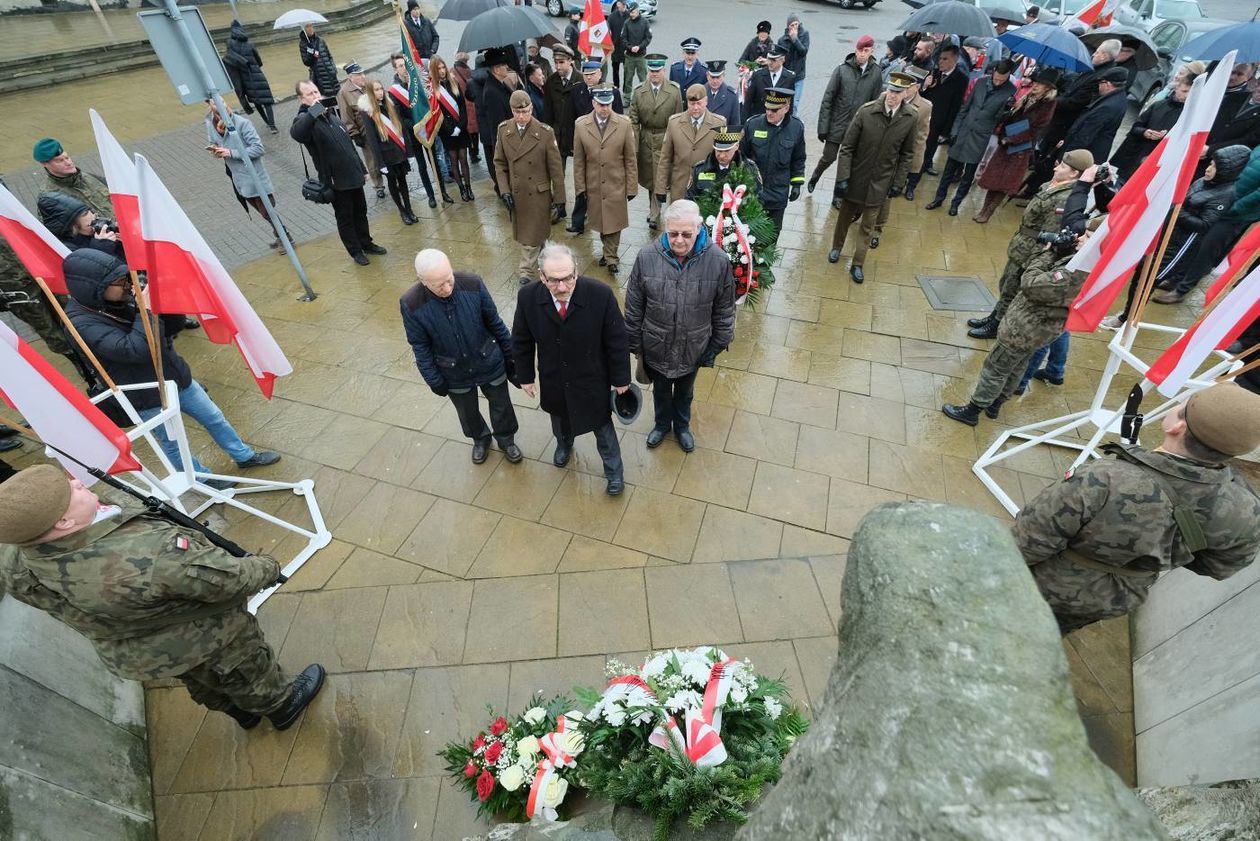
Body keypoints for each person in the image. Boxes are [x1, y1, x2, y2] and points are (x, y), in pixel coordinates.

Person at [0, 465, 324, 731]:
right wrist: (267, 565)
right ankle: (281, 705)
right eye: (70, 493)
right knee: (246, 670)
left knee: (201, 680)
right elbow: (232, 580)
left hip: (138, 649)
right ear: (64, 522)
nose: (76, 482)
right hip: (205, 636)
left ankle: (242, 714)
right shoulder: (150, 555)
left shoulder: (13, 561)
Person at [1014, 382, 1260, 635]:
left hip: (1044, 586)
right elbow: (1218, 567)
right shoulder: (1247, 510)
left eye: (1184, 405)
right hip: (1115, 598)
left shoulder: (1104, 478)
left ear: (1177, 426)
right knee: (1049, 634)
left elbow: (1026, 543)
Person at [62, 249, 281, 480]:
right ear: (95, 287)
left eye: (127, 278)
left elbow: (173, 328)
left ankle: (244, 456)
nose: (128, 286)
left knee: (214, 416)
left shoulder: (119, 299)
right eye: (119, 282)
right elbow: (135, 350)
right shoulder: (79, 324)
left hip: (175, 376)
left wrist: (163, 302)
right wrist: (144, 310)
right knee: (173, 442)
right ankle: (201, 480)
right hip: (145, 394)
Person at [513, 241, 631, 495]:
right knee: (560, 421)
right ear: (541, 276)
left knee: (603, 429)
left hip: (592, 379)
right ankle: (564, 445)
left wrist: (621, 379)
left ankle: (614, 473)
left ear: (576, 270)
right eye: (554, 281)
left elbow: (617, 340)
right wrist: (525, 376)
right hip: (555, 378)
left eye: (568, 278)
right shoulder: (528, 298)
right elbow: (521, 339)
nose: (562, 287)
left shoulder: (600, 294)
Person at [942, 231, 1090, 426]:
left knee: (996, 367)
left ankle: (972, 410)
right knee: (1017, 365)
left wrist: (1048, 253)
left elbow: (1031, 284)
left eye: (1088, 236)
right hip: (1039, 328)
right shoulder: (1085, 261)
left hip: (1026, 327)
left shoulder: (1078, 271)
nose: (1079, 238)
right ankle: (995, 405)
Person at [624, 199, 735, 453]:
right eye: (673, 234)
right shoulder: (646, 257)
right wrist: (635, 343)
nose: (680, 241)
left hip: (693, 346)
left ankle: (682, 427)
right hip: (657, 345)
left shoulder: (717, 260)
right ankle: (662, 425)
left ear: (698, 229)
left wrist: (716, 345)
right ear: (665, 228)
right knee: (661, 391)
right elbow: (633, 306)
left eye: (687, 234)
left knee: (685, 392)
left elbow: (724, 310)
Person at [401, 249, 522, 465]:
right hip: (453, 372)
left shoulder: (473, 283)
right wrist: (434, 379)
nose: (447, 288)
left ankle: (506, 439)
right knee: (467, 412)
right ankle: (480, 439)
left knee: (501, 405)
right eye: (439, 285)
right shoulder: (411, 303)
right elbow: (420, 346)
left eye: (449, 280)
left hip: (488, 360)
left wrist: (512, 357)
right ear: (423, 281)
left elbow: (495, 323)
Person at [967, 150, 1093, 339]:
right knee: (1006, 284)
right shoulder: (1051, 185)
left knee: (1011, 290)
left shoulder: (1065, 197)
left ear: (1074, 173)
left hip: (1030, 250)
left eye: (1063, 166)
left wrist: (1032, 259)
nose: (1056, 167)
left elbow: (1049, 232)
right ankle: (994, 316)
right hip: (1021, 244)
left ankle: (996, 325)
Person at [827, 73, 918, 284]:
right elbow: (848, 147)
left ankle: (858, 263)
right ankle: (836, 248)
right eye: (891, 90)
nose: (892, 96)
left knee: (868, 225)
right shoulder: (867, 111)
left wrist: (898, 182)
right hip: (856, 177)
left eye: (897, 92)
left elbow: (906, 154)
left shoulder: (910, 118)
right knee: (844, 218)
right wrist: (843, 177)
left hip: (881, 181)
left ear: (905, 94)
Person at [1151, 144, 1260, 306]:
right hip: (1223, 199)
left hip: (1237, 213)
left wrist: (1236, 208)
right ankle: (1176, 278)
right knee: (1195, 242)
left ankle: (1182, 289)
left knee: (1207, 251)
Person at [291, 79, 385, 266]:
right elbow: (297, 133)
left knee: (361, 211)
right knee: (345, 217)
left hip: (353, 175)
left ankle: (367, 243)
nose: (316, 96)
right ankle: (355, 251)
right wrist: (312, 112)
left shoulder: (330, 115)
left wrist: (362, 168)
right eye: (310, 94)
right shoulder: (304, 119)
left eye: (316, 92)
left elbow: (347, 144)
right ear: (302, 99)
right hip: (336, 180)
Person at [1022, 38, 1120, 198]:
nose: (1093, 55)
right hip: (1059, 123)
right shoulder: (1092, 71)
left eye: (1097, 52)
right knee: (1044, 159)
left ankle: (1035, 192)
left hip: (1065, 125)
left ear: (1104, 55)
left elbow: (1075, 102)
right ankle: (1030, 189)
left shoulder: (1098, 77)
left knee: (1050, 163)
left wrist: (1051, 99)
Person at [926, 59, 1016, 216]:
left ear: (1009, 76)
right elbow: (964, 108)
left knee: (968, 176)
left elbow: (999, 119)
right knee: (948, 170)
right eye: (996, 78)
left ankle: (956, 203)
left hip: (980, 137)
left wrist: (1007, 110)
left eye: (1002, 80)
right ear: (993, 71)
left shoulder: (1010, 91)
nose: (998, 81)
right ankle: (938, 198)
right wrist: (955, 130)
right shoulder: (980, 83)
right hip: (963, 132)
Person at [495, 90, 566, 285]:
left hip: (538, 195)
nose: (522, 116)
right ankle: (546, 265)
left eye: (525, 111)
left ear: (531, 108)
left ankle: (526, 273)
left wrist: (560, 199)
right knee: (536, 235)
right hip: (517, 195)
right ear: (511, 110)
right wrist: (504, 191)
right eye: (518, 112)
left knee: (531, 237)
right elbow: (499, 164)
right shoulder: (504, 130)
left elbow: (556, 169)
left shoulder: (544, 132)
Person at [973, 67, 1060, 224]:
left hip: (1021, 147)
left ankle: (988, 213)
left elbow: (1036, 129)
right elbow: (1014, 118)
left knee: (1004, 183)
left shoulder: (1048, 104)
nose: (1035, 85)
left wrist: (1013, 139)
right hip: (1006, 140)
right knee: (993, 178)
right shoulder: (1027, 97)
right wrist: (1010, 110)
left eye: (1039, 84)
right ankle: (983, 209)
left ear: (1048, 88)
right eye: (1035, 82)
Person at [808, 35, 884, 204]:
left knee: (846, 164)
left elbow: (876, 103)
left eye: (866, 51)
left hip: (858, 127)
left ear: (872, 51)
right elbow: (828, 99)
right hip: (837, 124)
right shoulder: (842, 70)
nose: (862, 54)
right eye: (859, 50)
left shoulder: (876, 73)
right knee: (828, 157)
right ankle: (815, 175)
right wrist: (823, 127)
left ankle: (838, 195)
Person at [204, 100, 287, 247]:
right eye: (214, 102)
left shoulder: (242, 123)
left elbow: (258, 149)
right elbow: (214, 143)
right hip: (238, 178)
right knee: (264, 213)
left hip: (254, 177)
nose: (219, 103)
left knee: (267, 211)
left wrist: (230, 152)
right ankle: (281, 236)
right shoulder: (210, 123)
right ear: (209, 105)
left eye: (222, 100)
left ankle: (286, 239)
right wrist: (216, 151)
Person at [574, 86, 637, 276]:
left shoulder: (624, 124)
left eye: (608, 104)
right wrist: (580, 186)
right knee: (601, 221)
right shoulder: (581, 125)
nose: (605, 108)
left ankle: (611, 257)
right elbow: (578, 160)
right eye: (601, 104)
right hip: (593, 183)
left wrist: (632, 186)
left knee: (614, 221)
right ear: (593, 103)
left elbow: (630, 158)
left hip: (616, 182)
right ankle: (607, 250)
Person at [869, 66, 931, 250]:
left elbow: (920, 139)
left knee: (885, 198)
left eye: (908, 85)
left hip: (896, 161)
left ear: (916, 87)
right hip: (876, 156)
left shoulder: (924, 107)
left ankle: (876, 230)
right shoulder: (885, 96)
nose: (901, 89)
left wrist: (913, 167)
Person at [740, 88, 805, 241]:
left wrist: (797, 183)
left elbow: (798, 158)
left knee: (770, 238)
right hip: (753, 194)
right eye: (767, 108)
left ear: (786, 108)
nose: (769, 113)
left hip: (778, 193)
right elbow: (741, 156)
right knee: (748, 237)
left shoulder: (796, 128)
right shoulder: (753, 124)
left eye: (774, 110)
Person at [628, 54, 682, 230]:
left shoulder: (674, 91)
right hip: (646, 139)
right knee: (651, 178)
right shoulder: (638, 92)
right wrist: (635, 144)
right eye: (651, 71)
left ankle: (661, 212)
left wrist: (674, 143)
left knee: (663, 176)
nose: (654, 74)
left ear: (664, 71)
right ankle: (653, 211)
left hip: (665, 138)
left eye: (658, 71)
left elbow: (678, 119)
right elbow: (634, 120)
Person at [907, 43, 968, 198]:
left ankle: (911, 186)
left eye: (945, 59)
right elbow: (918, 96)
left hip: (937, 125)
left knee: (924, 155)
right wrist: (925, 86)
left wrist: (946, 132)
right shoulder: (932, 73)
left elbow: (955, 107)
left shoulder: (961, 79)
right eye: (940, 58)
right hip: (921, 119)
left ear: (955, 59)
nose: (941, 62)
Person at [655, 85, 726, 211]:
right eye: (692, 104)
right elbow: (665, 158)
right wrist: (661, 187)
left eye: (699, 103)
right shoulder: (674, 123)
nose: (695, 108)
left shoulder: (719, 124)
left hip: (707, 190)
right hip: (679, 189)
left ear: (706, 101)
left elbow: (724, 158)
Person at [358, 80, 417, 225]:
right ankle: (402, 211)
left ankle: (409, 209)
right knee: (392, 182)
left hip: (400, 151)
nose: (380, 92)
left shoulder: (390, 105)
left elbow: (402, 129)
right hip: (386, 155)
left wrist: (409, 152)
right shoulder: (368, 112)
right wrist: (380, 163)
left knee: (403, 181)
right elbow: (372, 140)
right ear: (371, 93)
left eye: (381, 89)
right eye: (376, 90)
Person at [1110, 78, 1190, 183]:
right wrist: (1145, 132)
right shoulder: (1159, 105)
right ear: (1176, 89)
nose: (1187, 95)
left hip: (1157, 163)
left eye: (1189, 92)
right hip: (1135, 158)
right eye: (1184, 91)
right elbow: (1136, 127)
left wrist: (1167, 137)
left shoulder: (1188, 115)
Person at [390, 53, 442, 208]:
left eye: (405, 65)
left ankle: (442, 191)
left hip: (426, 128)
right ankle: (431, 195)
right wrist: (416, 124)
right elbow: (398, 116)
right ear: (395, 69)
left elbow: (427, 102)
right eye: (400, 66)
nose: (404, 69)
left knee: (435, 163)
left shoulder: (416, 82)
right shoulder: (394, 91)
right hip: (413, 133)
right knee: (422, 166)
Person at [1059, 66, 1129, 169]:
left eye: (1100, 83)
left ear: (1108, 84)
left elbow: (1085, 136)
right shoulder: (1119, 98)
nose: (1098, 86)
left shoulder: (1108, 106)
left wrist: (1065, 157)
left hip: (1082, 156)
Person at [336, 62, 385, 199]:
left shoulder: (369, 84)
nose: (363, 76)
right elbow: (347, 117)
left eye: (363, 73)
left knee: (387, 153)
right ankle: (378, 185)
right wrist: (355, 134)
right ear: (351, 77)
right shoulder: (344, 93)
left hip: (380, 125)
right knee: (372, 160)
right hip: (365, 132)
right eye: (359, 75)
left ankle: (393, 177)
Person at [33, 138, 113, 220]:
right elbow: (54, 230)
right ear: (44, 164)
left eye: (67, 158)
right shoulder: (49, 197)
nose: (68, 163)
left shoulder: (89, 177)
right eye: (60, 161)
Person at [431, 55, 475, 202]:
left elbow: (462, 106)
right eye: (439, 69)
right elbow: (437, 114)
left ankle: (468, 187)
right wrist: (450, 130)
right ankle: (461, 188)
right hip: (447, 131)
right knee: (454, 160)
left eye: (443, 67)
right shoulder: (433, 90)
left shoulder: (454, 82)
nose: (442, 71)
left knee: (464, 158)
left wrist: (461, 126)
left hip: (460, 128)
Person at [222, 21, 277, 133]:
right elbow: (259, 61)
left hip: (245, 79)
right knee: (267, 102)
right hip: (258, 75)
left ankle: (267, 122)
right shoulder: (250, 44)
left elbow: (229, 60)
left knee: (257, 102)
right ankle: (273, 126)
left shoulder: (230, 45)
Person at [479, 48, 517, 196]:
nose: (507, 67)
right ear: (496, 69)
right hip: (504, 140)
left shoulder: (499, 84)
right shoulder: (491, 91)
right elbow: (497, 124)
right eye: (503, 65)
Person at [37, 193, 124, 258]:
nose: (95, 227)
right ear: (72, 227)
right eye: (90, 225)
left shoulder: (89, 232)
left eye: (94, 216)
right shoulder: (65, 249)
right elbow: (90, 272)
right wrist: (102, 246)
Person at [688, 127, 760, 200]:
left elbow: (758, 199)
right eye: (719, 151)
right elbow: (690, 198)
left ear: (736, 146)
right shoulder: (699, 169)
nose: (722, 156)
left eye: (727, 151)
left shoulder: (749, 169)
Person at [542, 45, 581, 176]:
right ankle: (560, 197)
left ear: (570, 61)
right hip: (558, 135)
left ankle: (582, 197)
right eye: (556, 62)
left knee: (582, 173)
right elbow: (547, 112)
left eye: (562, 62)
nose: (558, 67)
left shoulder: (581, 80)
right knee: (557, 173)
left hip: (577, 135)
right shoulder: (551, 82)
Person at [742, 44, 796, 123]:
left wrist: (788, 124)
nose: (770, 63)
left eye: (773, 60)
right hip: (759, 121)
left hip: (779, 122)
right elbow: (748, 102)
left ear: (782, 60)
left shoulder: (789, 77)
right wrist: (744, 124)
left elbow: (790, 104)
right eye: (769, 59)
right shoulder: (758, 75)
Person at [452, 52, 482, 165]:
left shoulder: (452, 71)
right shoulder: (469, 71)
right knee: (474, 130)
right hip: (471, 103)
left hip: (461, 104)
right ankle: (474, 153)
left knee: (467, 129)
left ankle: (470, 152)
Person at [778, 13, 809, 113]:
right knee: (784, 103)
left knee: (794, 104)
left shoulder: (804, 34)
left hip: (798, 76)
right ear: (788, 26)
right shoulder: (782, 39)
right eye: (792, 25)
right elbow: (782, 57)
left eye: (796, 24)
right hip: (786, 76)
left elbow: (803, 52)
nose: (795, 27)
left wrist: (795, 40)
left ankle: (794, 125)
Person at [298, 23, 339, 100]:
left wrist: (333, 69)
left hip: (330, 74)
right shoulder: (303, 44)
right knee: (324, 100)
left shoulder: (320, 40)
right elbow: (306, 62)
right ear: (304, 29)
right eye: (307, 27)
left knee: (338, 97)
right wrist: (310, 53)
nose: (310, 28)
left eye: (311, 26)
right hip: (319, 77)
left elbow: (329, 56)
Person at [620, 1, 652, 97]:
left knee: (643, 78)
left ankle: (645, 97)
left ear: (638, 11)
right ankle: (627, 97)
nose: (631, 14)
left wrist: (639, 47)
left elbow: (648, 38)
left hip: (641, 56)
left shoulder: (645, 22)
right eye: (630, 12)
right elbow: (623, 38)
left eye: (633, 12)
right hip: (629, 57)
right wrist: (630, 47)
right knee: (627, 78)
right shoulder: (627, 23)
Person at [703, 61, 740, 128]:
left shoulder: (731, 96)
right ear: (707, 76)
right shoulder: (700, 92)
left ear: (723, 76)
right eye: (712, 77)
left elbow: (735, 125)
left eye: (718, 77)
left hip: (722, 136)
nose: (715, 81)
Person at [670, 38, 706, 107]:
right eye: (687, 53)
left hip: (696, 109)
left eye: (693, 53)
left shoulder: (703, 71)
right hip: (679, 108)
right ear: (683, 53)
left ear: (697, 54)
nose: (690, 57)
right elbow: (672, 92)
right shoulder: (674, 69)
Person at [607, 0, 628, 89]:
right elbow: (607, 31)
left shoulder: (629, 16)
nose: (620, 7)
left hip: (626, 47)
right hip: (615, 47)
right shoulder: (612, 17)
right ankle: (616, 87)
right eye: (619, 5)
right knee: (615, 70)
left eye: (623, 5)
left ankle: (625, 88)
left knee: (627, 70)